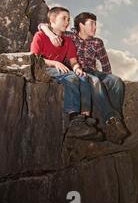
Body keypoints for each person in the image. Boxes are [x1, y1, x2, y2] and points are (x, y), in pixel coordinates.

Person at [38, 12, 129, 144]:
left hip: (93, 70)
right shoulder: (69, 35)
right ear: (81, 25)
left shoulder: (97, 42)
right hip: (77, 70)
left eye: (95, 24)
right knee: (95, 81)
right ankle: (110, 119)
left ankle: (115, 123)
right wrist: (50, 34)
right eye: (91, 24)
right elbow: (43, 25)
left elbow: (105, 64)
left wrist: (108, 77)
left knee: (116, 81)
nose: (95, 27)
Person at [30, 7, 100, 140]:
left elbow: (73, 61)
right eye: (64, 18)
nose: (67, 22)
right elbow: (34, 58)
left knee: (82, 76)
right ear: (52, 20)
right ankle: (73, 118)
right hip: (44, 67)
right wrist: (55, 63)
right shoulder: (40, 35)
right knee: (72, 78)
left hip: (60, 69)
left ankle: (84, 117)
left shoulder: (68, 40)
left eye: (68, 19)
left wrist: (78, 68)